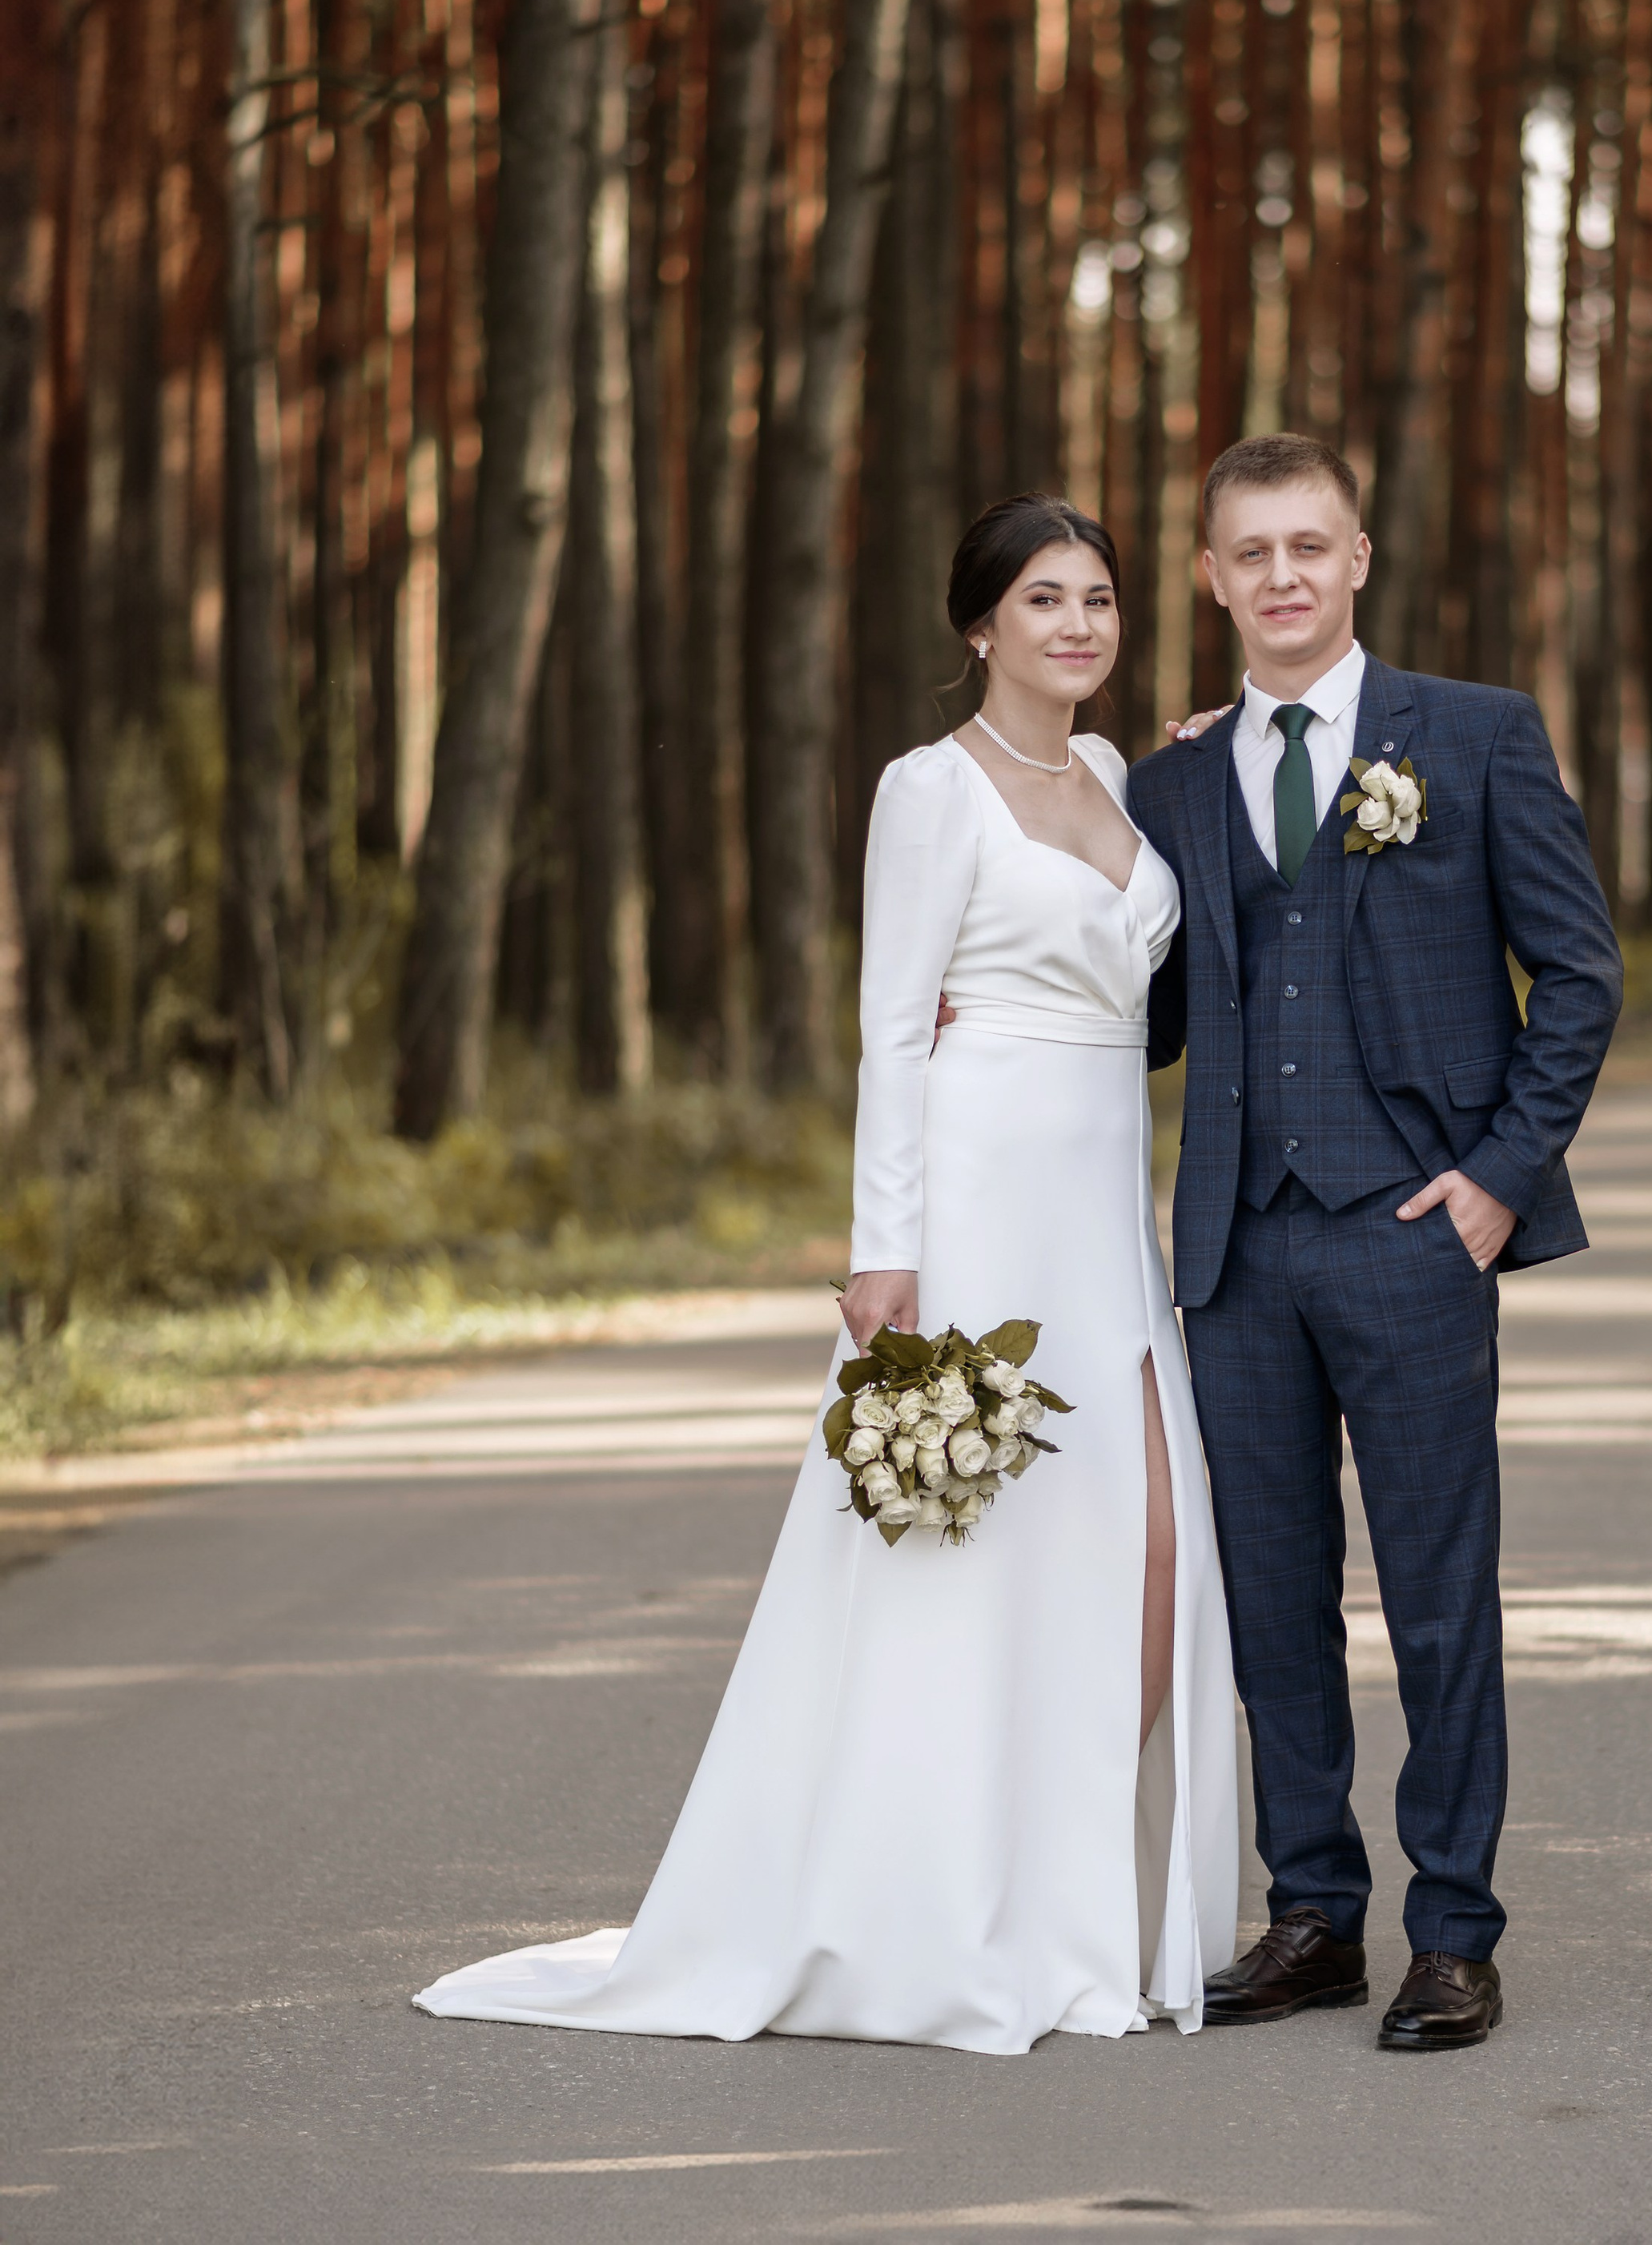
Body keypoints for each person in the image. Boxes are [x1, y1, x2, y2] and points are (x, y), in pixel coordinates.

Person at [416, 495, 1240, 2055]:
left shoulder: (1124, 778)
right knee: (963, 1562)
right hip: (986, 1201)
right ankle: (944, 1903)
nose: (1075, 624)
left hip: (1103, 1213)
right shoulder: (927, 791)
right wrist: (888, 1256)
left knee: (1142, 1554)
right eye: (1042, 599)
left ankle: (1075, 1891)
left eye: (1097, 600)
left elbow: (1158, 977)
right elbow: (888, 1027)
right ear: (977, 626)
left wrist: (1197, 752)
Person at [1126, 433, 1622, 2050]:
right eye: (1247, 552)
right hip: (1235, 1255)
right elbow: (1140, 1021)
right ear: (1210, 579)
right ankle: (1312, 1916)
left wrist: (1491, 1182)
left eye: (1306, 547)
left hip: (1413, 1240)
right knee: (1268, 1600)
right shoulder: (1175, 779)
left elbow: (1579, 977)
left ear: (1356, 562)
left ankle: (1453, 1931)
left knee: (1432, 1598)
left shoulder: (1470, 739)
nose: (1278, 575)